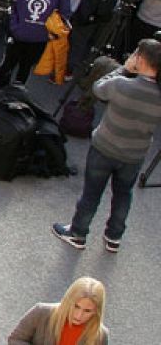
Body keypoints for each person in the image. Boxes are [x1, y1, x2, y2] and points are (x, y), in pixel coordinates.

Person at [53, 37, 161, 252]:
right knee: (123, 194)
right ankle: (114, 237)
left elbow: (98, 88)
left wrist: (123, 68)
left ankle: (78, 233)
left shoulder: (121, 84)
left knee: (92, 193)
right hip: (134, 155)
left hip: (105, 147)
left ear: (139, 59)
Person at [7, 277, 109, 345]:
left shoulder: (100, 335)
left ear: (96, 311)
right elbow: (15, 339)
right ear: (67, 301)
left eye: (87, 311)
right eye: (76, 306)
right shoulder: (41, 313)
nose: (79, 315)